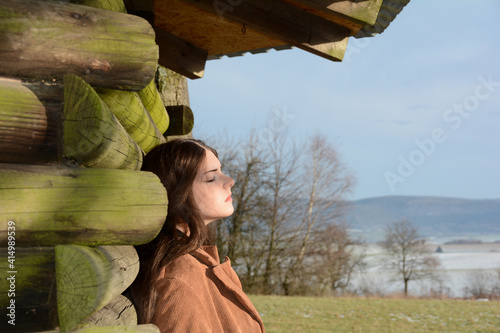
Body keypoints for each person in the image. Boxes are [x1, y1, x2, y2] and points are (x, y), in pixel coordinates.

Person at [130, 138, 265, 333]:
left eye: (221, 171)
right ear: (177, 193)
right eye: (211, 178)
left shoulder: (199, 261)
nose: (230, 181)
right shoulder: (179, 282)